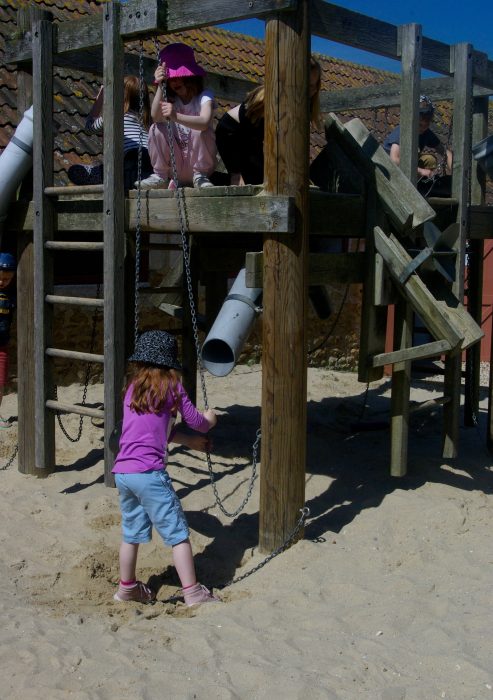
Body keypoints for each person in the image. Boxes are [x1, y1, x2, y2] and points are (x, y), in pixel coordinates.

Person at [112, 330, 219, 606]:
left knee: (131, 533)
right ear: (170, 363)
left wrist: (189, 441)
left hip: (124, 473)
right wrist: (209, 421)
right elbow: (196, 420)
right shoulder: (173, 385)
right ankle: (193, 592)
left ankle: (126, 588)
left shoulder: (133, 387)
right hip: (150, 473)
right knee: (178, 534)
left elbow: (153, 431)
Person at [215, 57, 322, 186]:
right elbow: (247, 127)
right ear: (295, 83)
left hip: (254, 136)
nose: (314, 90)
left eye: (316, 85)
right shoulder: (269, 97)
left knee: (263, 175)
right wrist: (236, 172)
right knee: (246, 179)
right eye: (309, 86)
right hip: (232, 132)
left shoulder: (303, 104)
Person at [138, 43, 217, 190]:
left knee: (200, 129)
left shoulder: (204, 96)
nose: (174, 82)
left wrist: (175, 116)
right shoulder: (171, 98)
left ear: (190, 76)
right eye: (170, 78)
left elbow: (205, 121)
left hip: (199, 164)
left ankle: (200, 176)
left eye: (179, 76)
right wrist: (160, 85)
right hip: (177, 166)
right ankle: (160, 175)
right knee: (156, 128)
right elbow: (155, 117)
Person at [68, 75, 153, 189]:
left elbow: (89, 128)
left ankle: (94, 173)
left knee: (78, 171)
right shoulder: (147, 120)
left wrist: (101, 96)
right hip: (150, 164)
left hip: (128, 163)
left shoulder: (113, 115)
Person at [383, 95, 453, 191]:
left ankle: (419, 187)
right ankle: (412, 188)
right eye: (420, 124)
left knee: (429, 159)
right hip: (388, 171)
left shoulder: (426, 132)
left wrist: (455, 174)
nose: (423, 128)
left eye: (426, 124)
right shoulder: (402, 131)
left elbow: (445, 152)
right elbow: (394, 160)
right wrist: (420, 171)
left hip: (407, 167)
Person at [0, 252, 16, 426]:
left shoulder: (12, 294)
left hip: (1, 345)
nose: (2, 282)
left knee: (0, 382)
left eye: (6, 278)